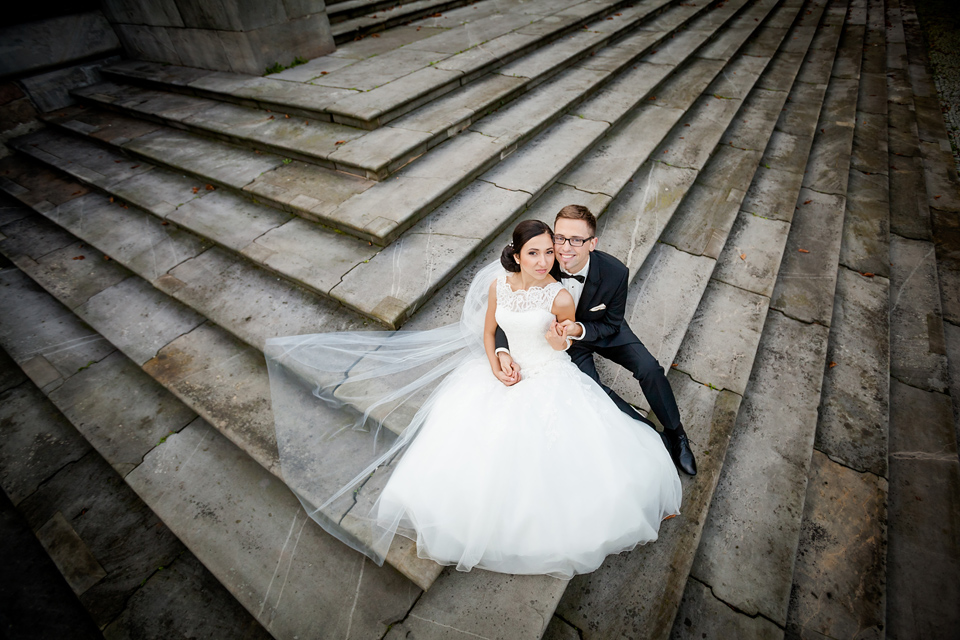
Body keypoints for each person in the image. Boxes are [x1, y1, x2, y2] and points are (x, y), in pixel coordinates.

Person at [265, 220, 681, 579]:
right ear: (516, 256)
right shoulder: (500, 285)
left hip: (547, 374)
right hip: (500, 374)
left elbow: (561, 341)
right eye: (533, 253)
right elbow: (489, 331)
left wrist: (560, 338)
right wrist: (499, 358)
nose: (543, 261)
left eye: (549, 253)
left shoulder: (560, 295)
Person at [495, 206, 697, 476]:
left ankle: (676, 433)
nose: (565, 248)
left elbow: (612, 323)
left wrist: (578, 329)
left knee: (649, 369)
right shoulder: (541, 260)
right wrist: (502, 349)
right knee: (594, 393)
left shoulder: (615, 272)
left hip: (602, 330)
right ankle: (652, 438)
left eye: (577, 240)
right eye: (560, 237)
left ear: (592, 243)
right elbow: (509, 309)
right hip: (559, 346)